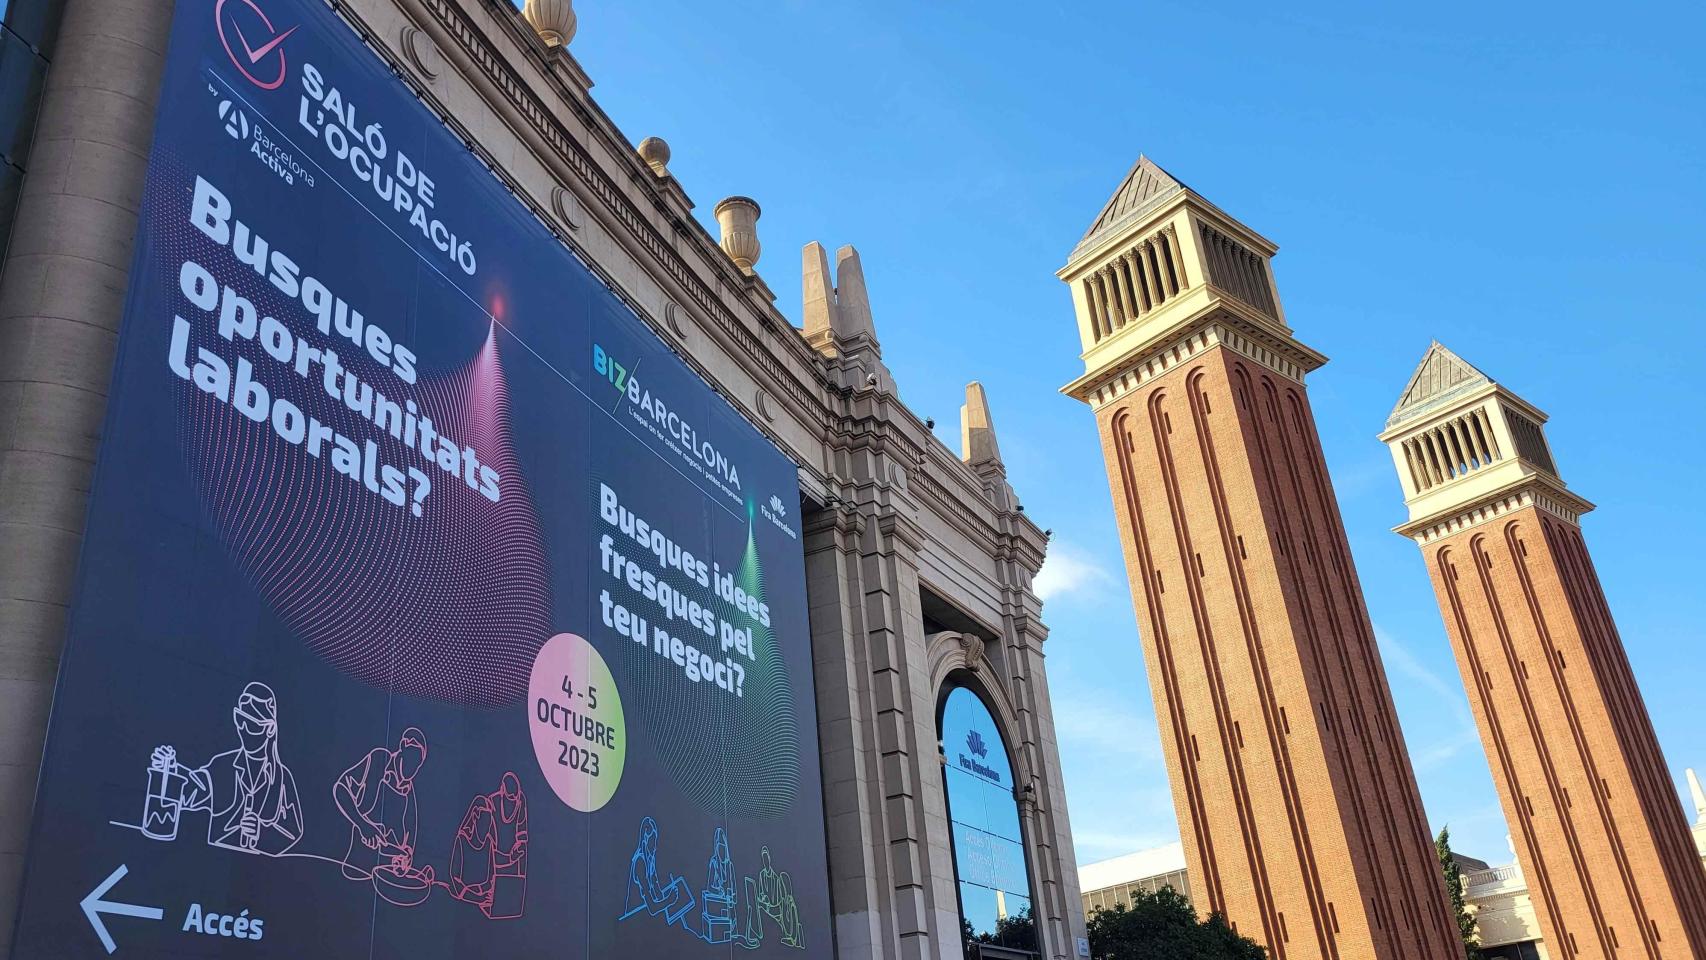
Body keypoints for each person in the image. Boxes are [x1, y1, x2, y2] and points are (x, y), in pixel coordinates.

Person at [156, 681, 303, 856]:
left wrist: (261, 833)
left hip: (259, 868)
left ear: (270, 729)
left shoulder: (282, 778)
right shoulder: (223, 765)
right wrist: (169, 771)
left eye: (252, 725)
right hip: (213, 861)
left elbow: (293, 831)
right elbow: (191, 791)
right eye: (240, 719)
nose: (244, 730)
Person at [334, 727, 429, 882]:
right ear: (402, 747)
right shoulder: (379, 760)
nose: (412, 770)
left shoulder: (409, 791)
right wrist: (363, 824)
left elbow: (410, 831)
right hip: (358, 864)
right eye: (410, 760)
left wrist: (405, 857)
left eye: (416, 765)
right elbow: (341, 788)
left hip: (385, 875)